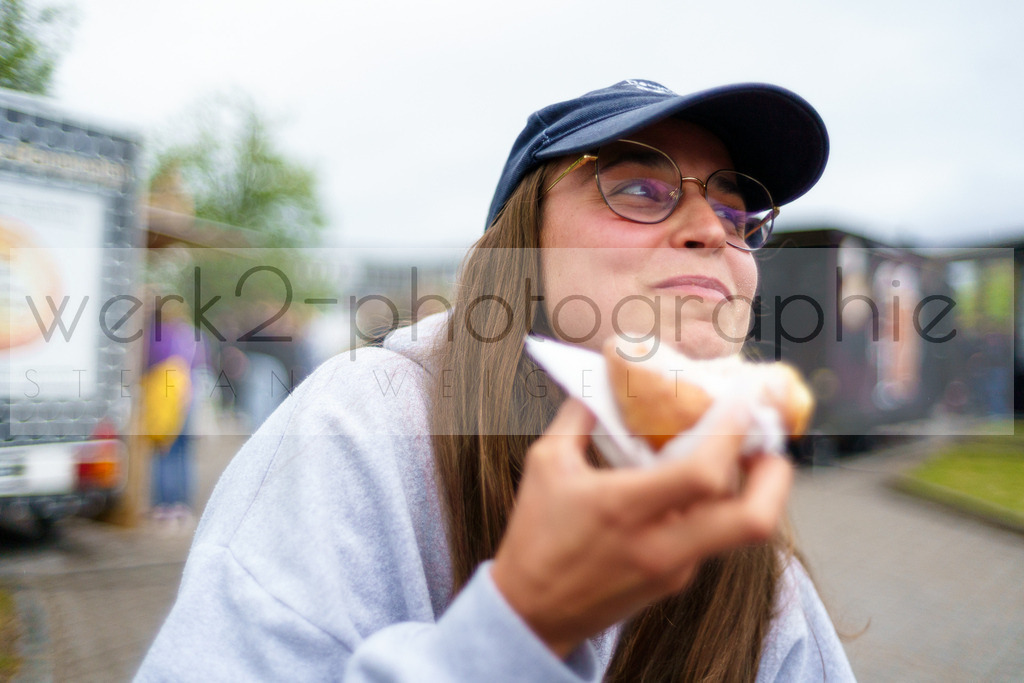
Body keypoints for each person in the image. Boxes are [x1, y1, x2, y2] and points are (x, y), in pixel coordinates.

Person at [137, 79, 855, 681]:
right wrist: (519, 627)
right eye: (640, 187)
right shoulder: (362, 424)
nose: (713, 229)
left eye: (737, 211)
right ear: (524, 244)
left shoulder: (749, 536)